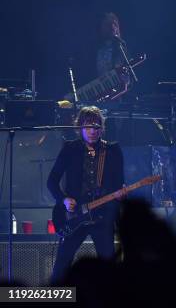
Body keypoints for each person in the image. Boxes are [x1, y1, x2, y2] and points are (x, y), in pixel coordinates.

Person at [47, 106, 125, 283]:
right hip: (74, 217)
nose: (92, 131)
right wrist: (64, 200)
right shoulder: (70, 148)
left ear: (102, 128)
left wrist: (120, 194)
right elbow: (51, 181)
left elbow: (118, 184)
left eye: (96, 127)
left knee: (109, 269)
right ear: (80, 127)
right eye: (88, 126)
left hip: (102, 217)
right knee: (61, 266)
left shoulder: (112, 151)